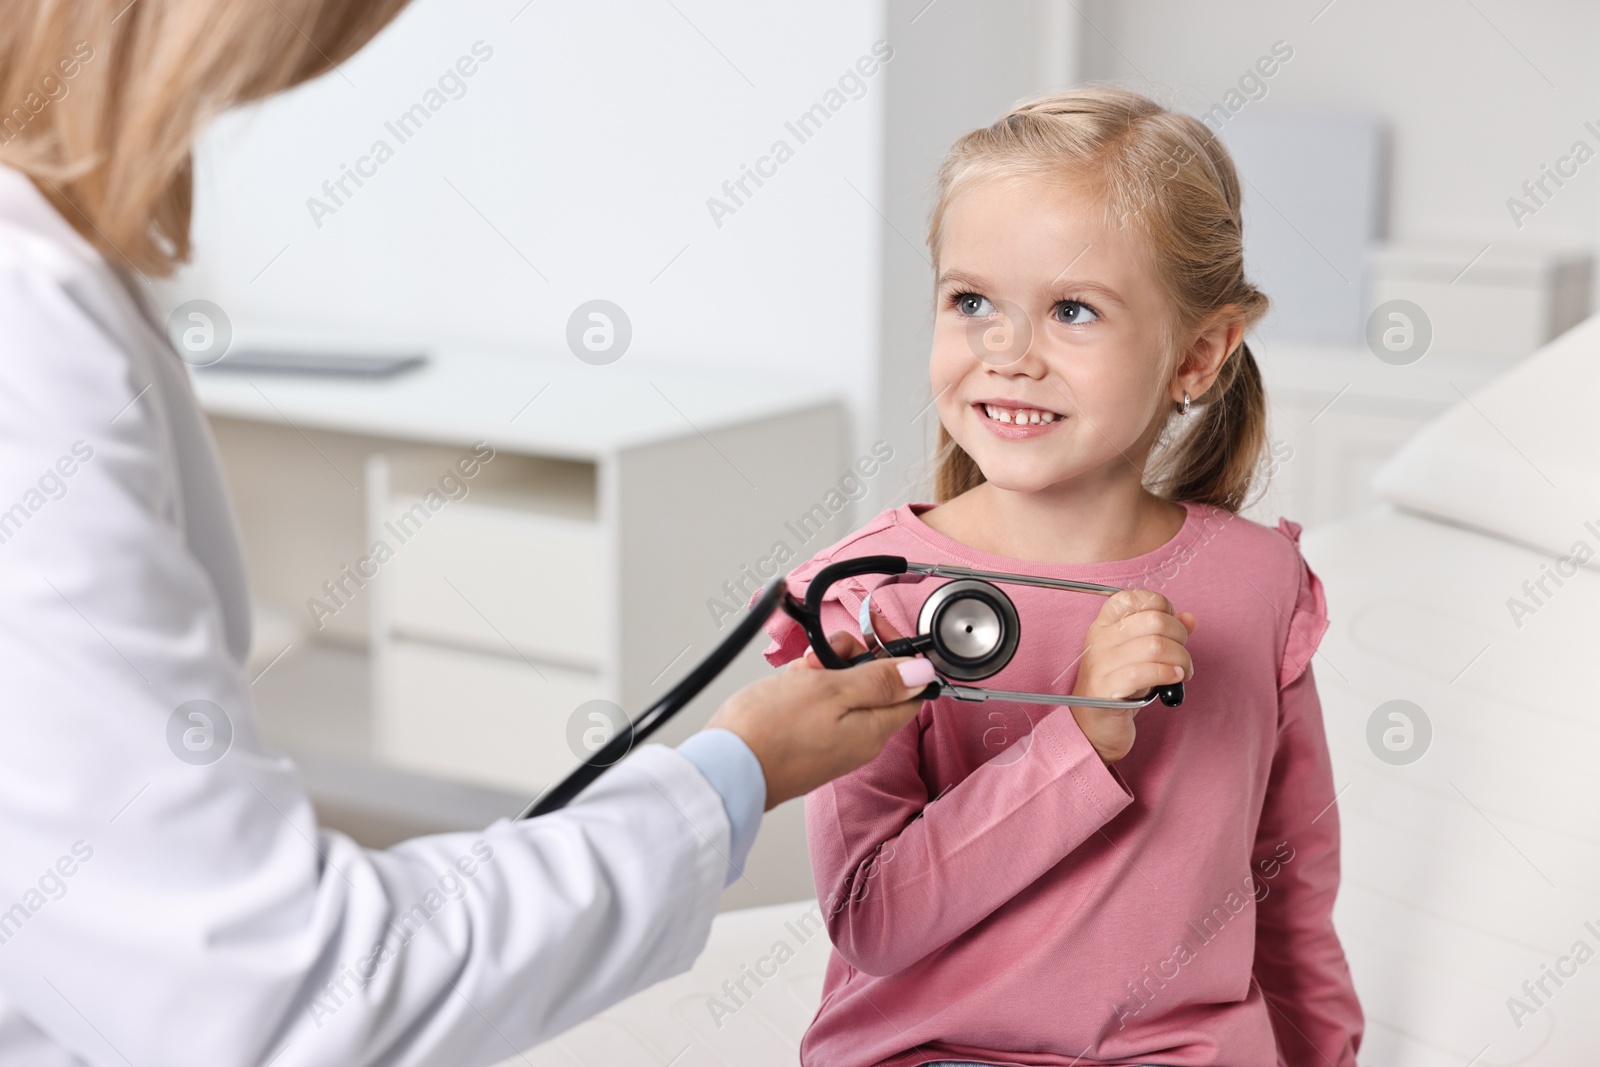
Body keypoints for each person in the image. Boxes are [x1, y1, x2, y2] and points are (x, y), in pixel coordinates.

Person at [0, 3, 937, 1065]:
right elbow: (271, 992)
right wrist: (736, 772)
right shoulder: (25, 320)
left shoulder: (50, 276)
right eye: (966, 301)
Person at [756, 88, 1365, 1066]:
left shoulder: (1259, 584)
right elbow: (875, 917)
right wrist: (1075, 737)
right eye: (971, 302)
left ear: (1197, 355)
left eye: (1072, 310)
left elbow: (1289, 887)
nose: (1006, 353)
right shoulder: (868, 599)